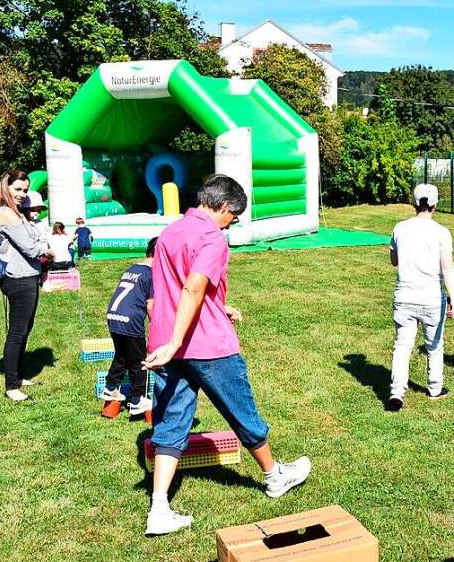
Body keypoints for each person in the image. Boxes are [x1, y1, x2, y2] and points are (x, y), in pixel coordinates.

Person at [142, 174, 311, 536]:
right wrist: (176, 341)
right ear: (221, 207)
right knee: (242, 412)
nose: (231, 224)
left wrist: (219, 307)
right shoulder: (212, 238)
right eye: (231, 217)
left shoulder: (170, 232)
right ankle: (274, 476)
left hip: (167, 345)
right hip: (204, 345)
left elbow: (179, 288)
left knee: (171, 424)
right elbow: (192, 286)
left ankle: (159, 507)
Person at [387, 183, 454, 412]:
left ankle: (397, 392)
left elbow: (394, 261)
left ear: (414, 203)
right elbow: (447, 268)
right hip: (431, 297)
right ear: (435, 205)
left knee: (402, 345)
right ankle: (435, 388)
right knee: (434, 346)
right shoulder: (441, 232)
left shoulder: (400, 228)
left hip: (404, 295)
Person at [0, 172, 53, 403]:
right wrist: (47, 250)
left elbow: (34, 236)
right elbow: (31, 247)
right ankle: (11, 386)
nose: (22, 194)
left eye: (25, 190)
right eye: (17, 189)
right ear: (5, 188)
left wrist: (40, 244)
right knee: (17, 332)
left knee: (24, 329)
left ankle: (17, 377)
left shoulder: (16, 213)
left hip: (28, 275)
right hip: (18, 278)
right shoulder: (5, 213)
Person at [102, 237, 156, 417]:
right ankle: (137, 399)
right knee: (139, 361)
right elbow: (150, 304)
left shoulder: (133, 268)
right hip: (131, 320)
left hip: (114, 316)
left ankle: (110, 388)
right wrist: (156, 326)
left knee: (121, 356)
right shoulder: (152, 274)